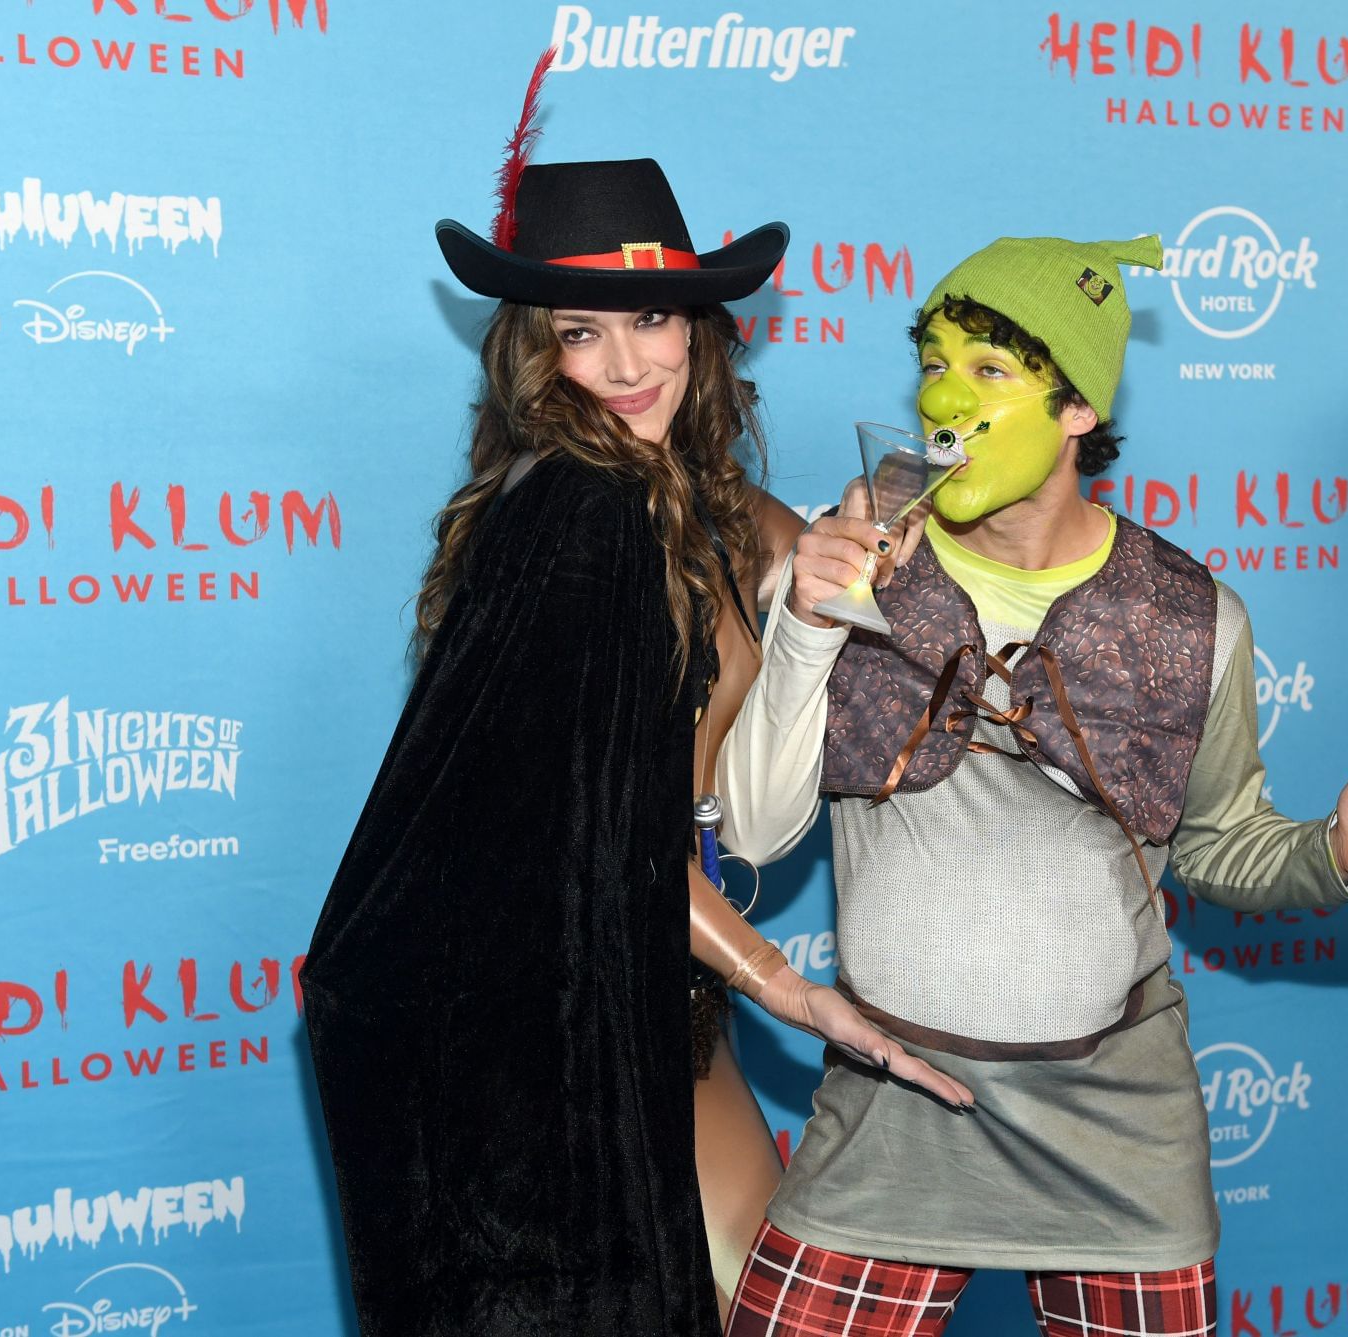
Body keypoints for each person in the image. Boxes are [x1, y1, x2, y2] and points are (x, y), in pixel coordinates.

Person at [716, 234, 1348, 1336]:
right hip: (891, 1113)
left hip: (1116, 1136)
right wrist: (806, 622)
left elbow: (1221, 842)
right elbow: (750, 835)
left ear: (1078, 407)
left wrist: (1338, 850)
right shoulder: (854, 562)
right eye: (935, 364)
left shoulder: (1189, 616)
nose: (944, 398)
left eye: (991, 369)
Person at [298, 128, 973, 1334]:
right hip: (547, 1022)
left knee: (758, 1304)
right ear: (535, 349)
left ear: (699, 327)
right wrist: (790, 985)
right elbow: (588, 838)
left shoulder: (709, 506)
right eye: (580, 331)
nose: (624, 363)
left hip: (660, 983)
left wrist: (842, 569)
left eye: (652, 318)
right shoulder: (575, 516)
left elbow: (773, 735)